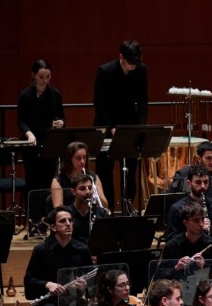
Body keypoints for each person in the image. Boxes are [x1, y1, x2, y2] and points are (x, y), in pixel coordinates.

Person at [93, 39, 148, 205]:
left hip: (129, 124)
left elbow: (143, 103)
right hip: (105, 123)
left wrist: (139, 127)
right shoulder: (105, 71)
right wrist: (112, 127)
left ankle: (128, 207)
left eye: (136, 62)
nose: (133, 66)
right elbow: (99, 103)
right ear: (121, 57)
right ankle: (107, 211)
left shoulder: (141, 70)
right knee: (105, 171)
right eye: (130, 62)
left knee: (131, 172)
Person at [24, 206, 93, 306]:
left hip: (74, 301)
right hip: (50, 302)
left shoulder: (82, 249)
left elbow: (93, 278)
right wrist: (47, 284)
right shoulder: (41, 251)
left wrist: (85, 285)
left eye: (70, 220)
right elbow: (29, 282)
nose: (68, 224)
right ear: (53, 227)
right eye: (62, 221)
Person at [16, 58, 66, 193]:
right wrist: (29, 133)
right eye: (41, 77)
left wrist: (61, 123)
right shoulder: (25, 95)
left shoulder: (55, 94)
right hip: (32, 144)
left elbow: (62, 117)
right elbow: (21, 121)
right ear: (33, 75)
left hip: (49, 143)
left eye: (48, 77)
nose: (45, 80)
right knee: (32, 180)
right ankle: (32, 213)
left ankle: (47, 213)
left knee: (48, 180)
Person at [161, 201, 212, 280]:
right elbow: (162, 277)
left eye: (202, 219)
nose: (201, 224)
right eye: (196, 220)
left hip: (205, 290)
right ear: (185, 223)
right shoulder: (172, 246)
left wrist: (204, 266)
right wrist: (176, 268)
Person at [165, 165, 212, 239]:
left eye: (206, 182)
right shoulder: (177, 209)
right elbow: (171, 239)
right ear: (189, 183)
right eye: (198, 182)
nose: (203, 186)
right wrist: (191, 232)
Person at [51, 141, 109, 210]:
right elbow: (58, 210)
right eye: (78, 158)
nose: (82, 161)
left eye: (84, 157)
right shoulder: (58, 181)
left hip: (90, 215)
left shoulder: (93, 177)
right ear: (69, 159)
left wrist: (93, 192)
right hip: (70, 218)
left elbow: (105, 205)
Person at [68, 171, 109, 243]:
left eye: (90, 188)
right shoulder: (67, 214)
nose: (88, 192)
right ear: (73, 192)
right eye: (82, 188)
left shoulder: (102, 213)